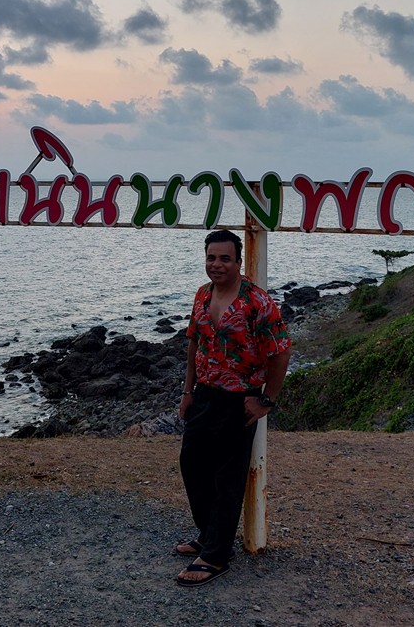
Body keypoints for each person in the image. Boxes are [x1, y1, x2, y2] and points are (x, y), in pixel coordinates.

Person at [174, 228, 291, 587]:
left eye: (225, 258)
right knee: (192, 465)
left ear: (239, 262)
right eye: (211, 257)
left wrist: (266, 400)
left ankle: (216, 555)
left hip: (239, 400)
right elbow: (194, 343)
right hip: (204, 395)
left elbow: (281, 350)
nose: (217, 264)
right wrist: (187, 390)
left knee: (227, 479)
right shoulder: (201, 295)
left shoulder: (257, 301)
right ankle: (210, 533)